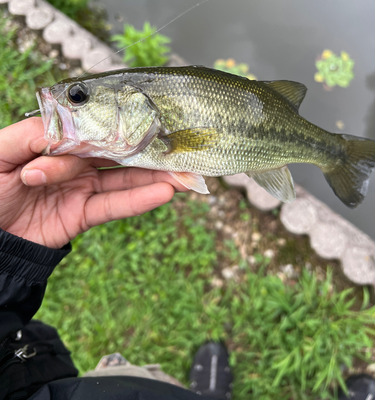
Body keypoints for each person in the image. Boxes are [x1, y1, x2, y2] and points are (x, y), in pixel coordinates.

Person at [0, 119, 373, 400]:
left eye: (78, 96)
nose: (70, 103)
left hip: (35, 371)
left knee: (140, 382)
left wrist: (6, 252)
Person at [0, 118, 233, 400]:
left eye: (78, 97)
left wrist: (7, 255)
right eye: (78, 97)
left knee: (134, 377)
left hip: (31, 367)